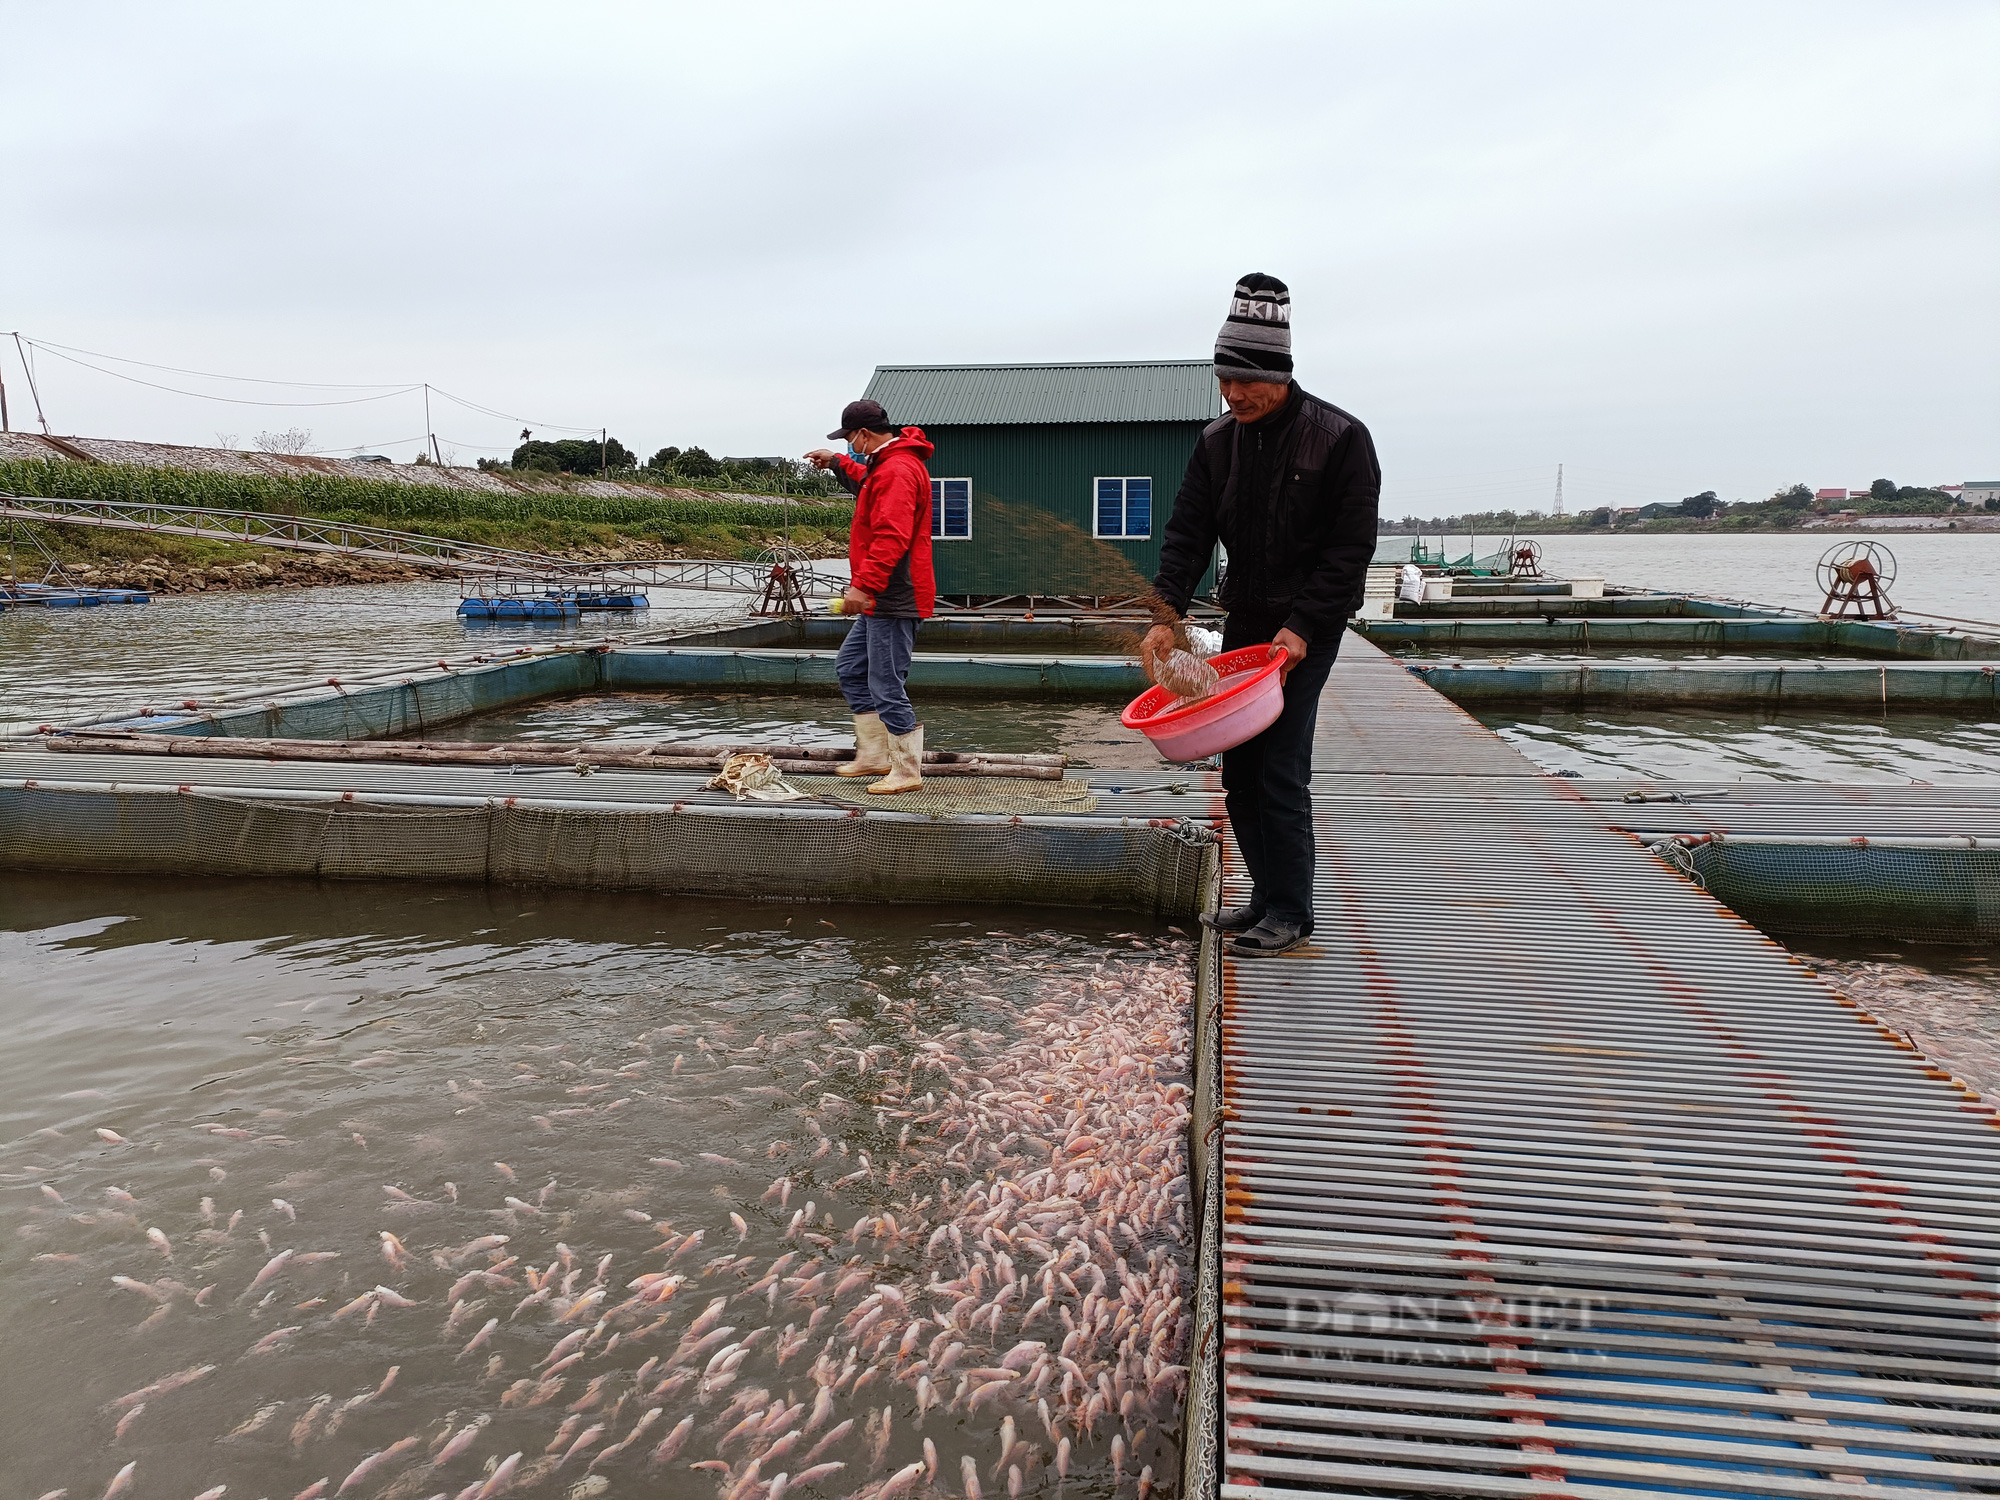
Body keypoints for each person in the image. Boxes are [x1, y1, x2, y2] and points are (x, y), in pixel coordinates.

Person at [1145, 273, 1381, 956]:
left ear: (1281, 374)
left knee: (1279, 763)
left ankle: (1292, 910)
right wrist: (1167, 613)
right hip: (1246, 619)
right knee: (1240, 768)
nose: (1234, 394)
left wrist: (1305, 627)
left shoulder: (1340, 438)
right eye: (1224, 380)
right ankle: (1261, 896)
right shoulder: (1218, 441)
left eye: (1247, 381)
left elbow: (1349, 550)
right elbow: (1187, 533)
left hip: (1307, 626)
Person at [805, 398, 936, 794]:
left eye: (848, 440)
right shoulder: (889, 463)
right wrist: (836, 463)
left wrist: (863, 586)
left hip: (896, 594)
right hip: (883, 595)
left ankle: (906, 769)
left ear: (863, 434)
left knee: (885, 681)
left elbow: (891, 537)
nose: (849, 446)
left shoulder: (897, 469)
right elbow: (866, 480)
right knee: (850, 667)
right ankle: (875, 756)